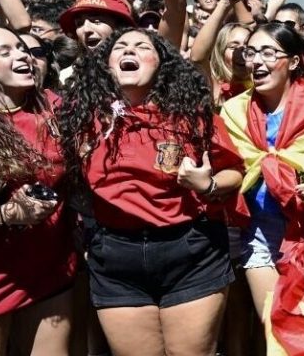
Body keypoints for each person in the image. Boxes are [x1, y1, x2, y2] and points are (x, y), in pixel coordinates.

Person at [57, 28, 245, 355]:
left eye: (142, 46)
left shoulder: (191, 115)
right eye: (120, 47)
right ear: (106, 63)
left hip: (190, 250)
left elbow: (234, 171)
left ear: (161, 64)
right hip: (115, 256)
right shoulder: (80, 119)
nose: (129, 50)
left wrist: (209, 185)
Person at [219, 21, 304, 318]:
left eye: (268, 52)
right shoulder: (234, 111)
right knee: (276, 327)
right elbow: (229, 163)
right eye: (251, 53)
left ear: (292, 62)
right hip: (259, 230)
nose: (257, 61)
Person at [0, 25, 75, 355]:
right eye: (5, 51)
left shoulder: (53, 108)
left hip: (47, 270)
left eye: (22, 48)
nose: (22, 54)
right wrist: (8, 214)